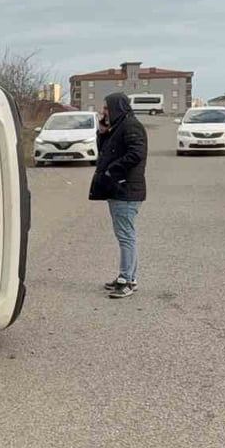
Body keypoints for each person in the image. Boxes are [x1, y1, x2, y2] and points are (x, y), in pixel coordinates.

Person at [88, 93, 148, 299]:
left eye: (106, 108)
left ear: (116, 107)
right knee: (125, 235)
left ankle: (126, 280)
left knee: (125, 236)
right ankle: (129, 276)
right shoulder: (118, 126)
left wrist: (111, 171)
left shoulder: (131, 126)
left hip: (126, 190)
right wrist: (102, 133)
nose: (103, 112)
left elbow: (136, 154)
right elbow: (104, 151)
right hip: (118, 189)